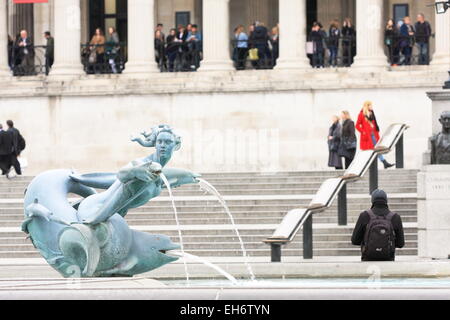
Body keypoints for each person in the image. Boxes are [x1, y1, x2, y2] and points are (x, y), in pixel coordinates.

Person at [351, 189, 405, 261]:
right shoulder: (395, 217)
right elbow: (401, 244)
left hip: (367, 261)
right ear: (386, 200)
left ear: (372, 200)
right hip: (388, 260)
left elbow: (355, 241)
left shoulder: (364, 215)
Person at [355, 101, 394, 169]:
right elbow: (357, 125)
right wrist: (363, 131)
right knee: (368, 151)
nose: (371, 106)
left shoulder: (372, 113)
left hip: (374, 134)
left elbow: (374, 124)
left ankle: (384, 162)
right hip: (367, 136)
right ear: (367, 106)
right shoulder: (361, 114)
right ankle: (383, 162)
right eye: (370, 105)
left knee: (375, 149)